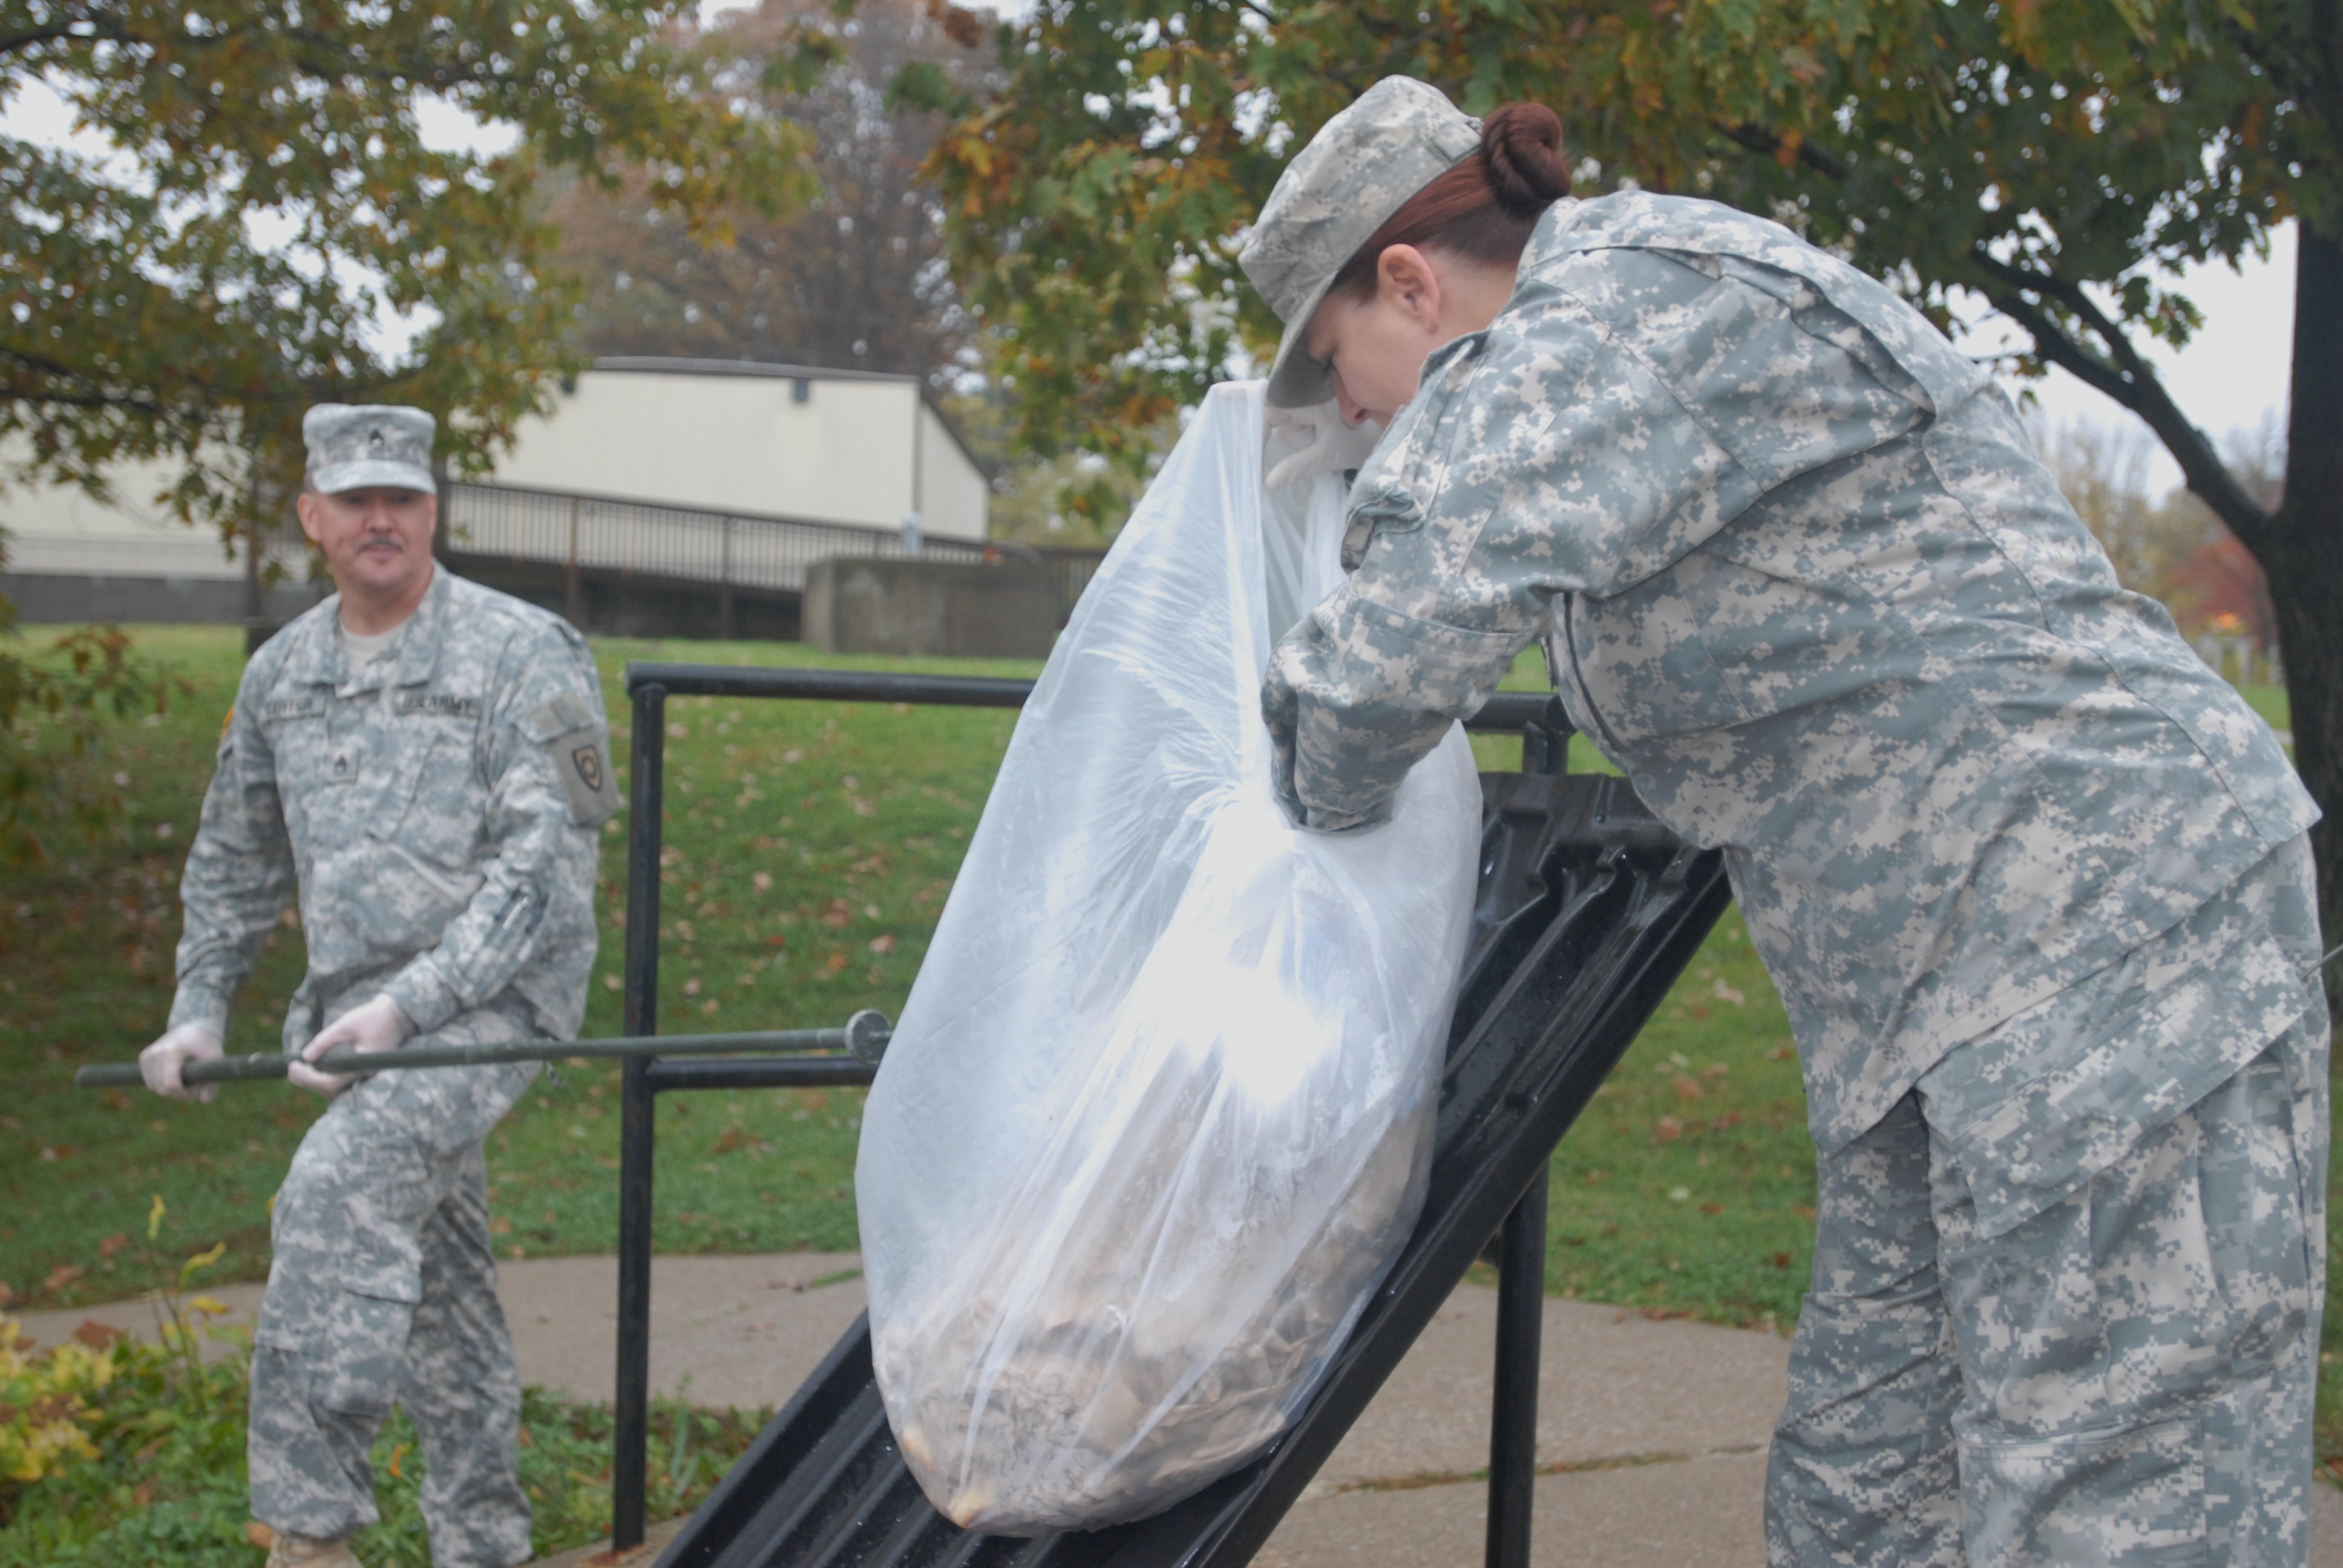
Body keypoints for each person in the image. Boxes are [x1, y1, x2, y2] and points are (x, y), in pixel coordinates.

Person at [1244, 78, 2326, 1568]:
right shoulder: (1603, 352)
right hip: (1927, 1002)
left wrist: (1262, 838)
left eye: (1337, 364)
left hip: (2110, 934)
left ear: (1412, 282)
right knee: (1868, 1487)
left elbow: (1373, 671)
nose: (1353, 414)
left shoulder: (1620, 309)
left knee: (2113, 1496)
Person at [138, 405, 618, 1568]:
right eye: (355, 500)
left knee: (339, 1190)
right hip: (352, 1016)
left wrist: (412, 1007)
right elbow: (235, 857)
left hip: (496, 1005)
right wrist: (201, 1003)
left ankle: (306, 1538)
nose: (381, 520)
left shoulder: (524, 651)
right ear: (314, 518)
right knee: (442, 1292)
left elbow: (553, 864)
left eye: (402, 497)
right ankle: (486, 1543)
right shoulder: (281, 675)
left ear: (433, 511)